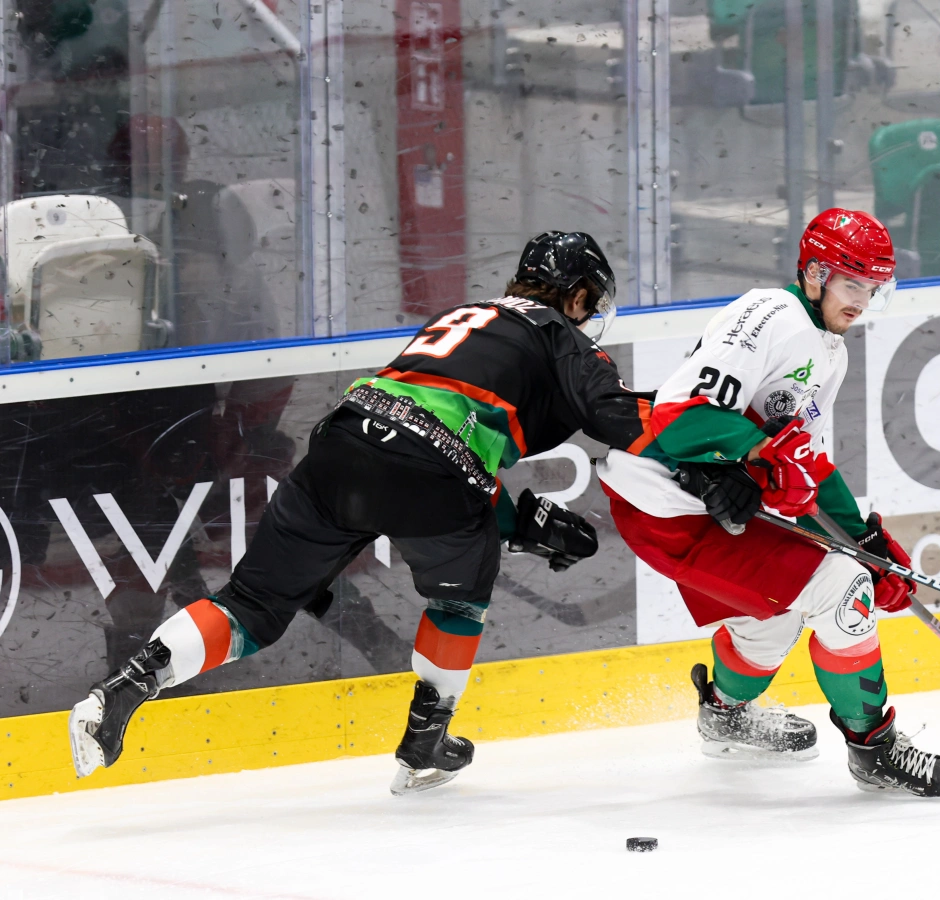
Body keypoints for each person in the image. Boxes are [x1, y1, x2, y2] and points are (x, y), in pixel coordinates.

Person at [69, 232, 656, 795]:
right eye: (589, 305)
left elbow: (428, 436)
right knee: (458, 602)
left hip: (343, 445)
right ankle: (425, 743)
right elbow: (630, 424)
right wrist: (703, 447)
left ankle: (124, 686)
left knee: (249, 604)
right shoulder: (561, 336)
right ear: (577, 296)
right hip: (433, 475)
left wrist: (519, 518)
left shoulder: (466, 314)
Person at [596, 209, 940, 796]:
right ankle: (874, 750)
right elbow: (681, 417)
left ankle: (724, 715)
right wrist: (759, 452)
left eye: (873, 288)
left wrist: (867, 540)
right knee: (841, 589)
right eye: (852, 283)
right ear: (816, 274)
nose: (862, 301)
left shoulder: (830, 350)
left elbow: (806, 462)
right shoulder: (770, 315)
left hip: (712, 505)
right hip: (665, 503)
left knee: (774, 619)